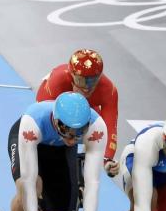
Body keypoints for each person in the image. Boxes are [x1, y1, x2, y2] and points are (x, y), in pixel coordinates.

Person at [3, 92, 107, 211]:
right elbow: (28, 179)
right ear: (56, 121)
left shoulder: (96, 127)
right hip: (31, 141)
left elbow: (92, 181)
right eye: (68, 133)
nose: (73, 140)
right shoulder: (33, 120)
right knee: (30, 186)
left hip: (60, 151)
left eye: (78, 135)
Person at [36, 49, 119, 177]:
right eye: (81, 80)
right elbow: (45, 121)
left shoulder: (108, 90)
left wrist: (107, 159)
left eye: (93, 80)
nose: (87, 87)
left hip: (87, 108)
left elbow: (110, 127)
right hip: (54, 103)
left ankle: (83, 177)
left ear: (100, 77)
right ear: (72, 75)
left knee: (95, 132)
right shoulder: (57, 81)